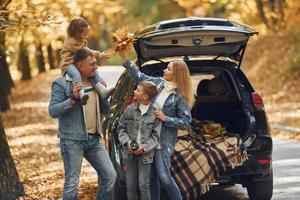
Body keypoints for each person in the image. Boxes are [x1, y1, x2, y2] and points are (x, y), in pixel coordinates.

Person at [117, 49, 194, 200]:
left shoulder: (179, 97)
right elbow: (138, 77)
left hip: (162, 142)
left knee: (164, 177)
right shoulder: (158, 84)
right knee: (151, 179)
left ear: (176, 74)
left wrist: (166, 118)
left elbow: (186, 121)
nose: (165, 69)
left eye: (169, 68)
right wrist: (123, 57)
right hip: (147, 141)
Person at [49, 48, 117, 200]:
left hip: (94, 139)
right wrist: (73, 99)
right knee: (72, 183)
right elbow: (53, 111)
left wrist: (104, 96)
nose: (96, 67)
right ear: (80, 66)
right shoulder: (61, 84)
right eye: (92, 64)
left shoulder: (95, 82)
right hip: (73, 140)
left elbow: (105, 111)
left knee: (110, 176)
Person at [117, 80, 160, 200]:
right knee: (130, 185)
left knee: (143, 185)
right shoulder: (129, 109)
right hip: (129, 153)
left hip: (146, 155)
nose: (134, 91)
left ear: (145, 96)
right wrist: (127, 142)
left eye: (138, 90)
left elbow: (156, 136)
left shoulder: (155, 113)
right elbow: (121, 129)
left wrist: (144, 148)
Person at [60, 17, 114, 105]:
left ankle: (101, 89)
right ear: (77, 33)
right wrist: (100, 54)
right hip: (69, 64)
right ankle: (81, 93)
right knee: (76, 74)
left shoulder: (81, 40)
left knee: (92, 70)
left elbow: (87, 50)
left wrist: (99, 54)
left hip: (78, 61)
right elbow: (86, 52)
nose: (86, 36)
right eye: (84, 34)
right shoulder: (71, 42)